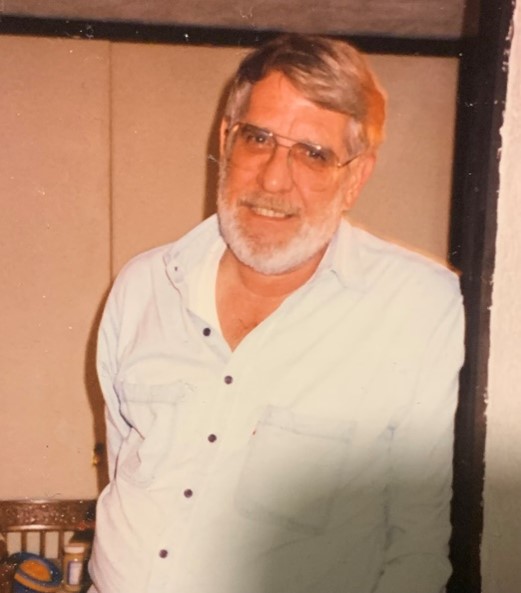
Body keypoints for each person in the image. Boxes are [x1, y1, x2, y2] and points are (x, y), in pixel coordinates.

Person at [89, 34, 464, 593]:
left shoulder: (418, 306)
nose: (271, 178)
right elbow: (126, 468)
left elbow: (418, 546)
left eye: (313, 153)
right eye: (258, 138)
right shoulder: (143, 286)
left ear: (356, 176)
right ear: (225, 138)